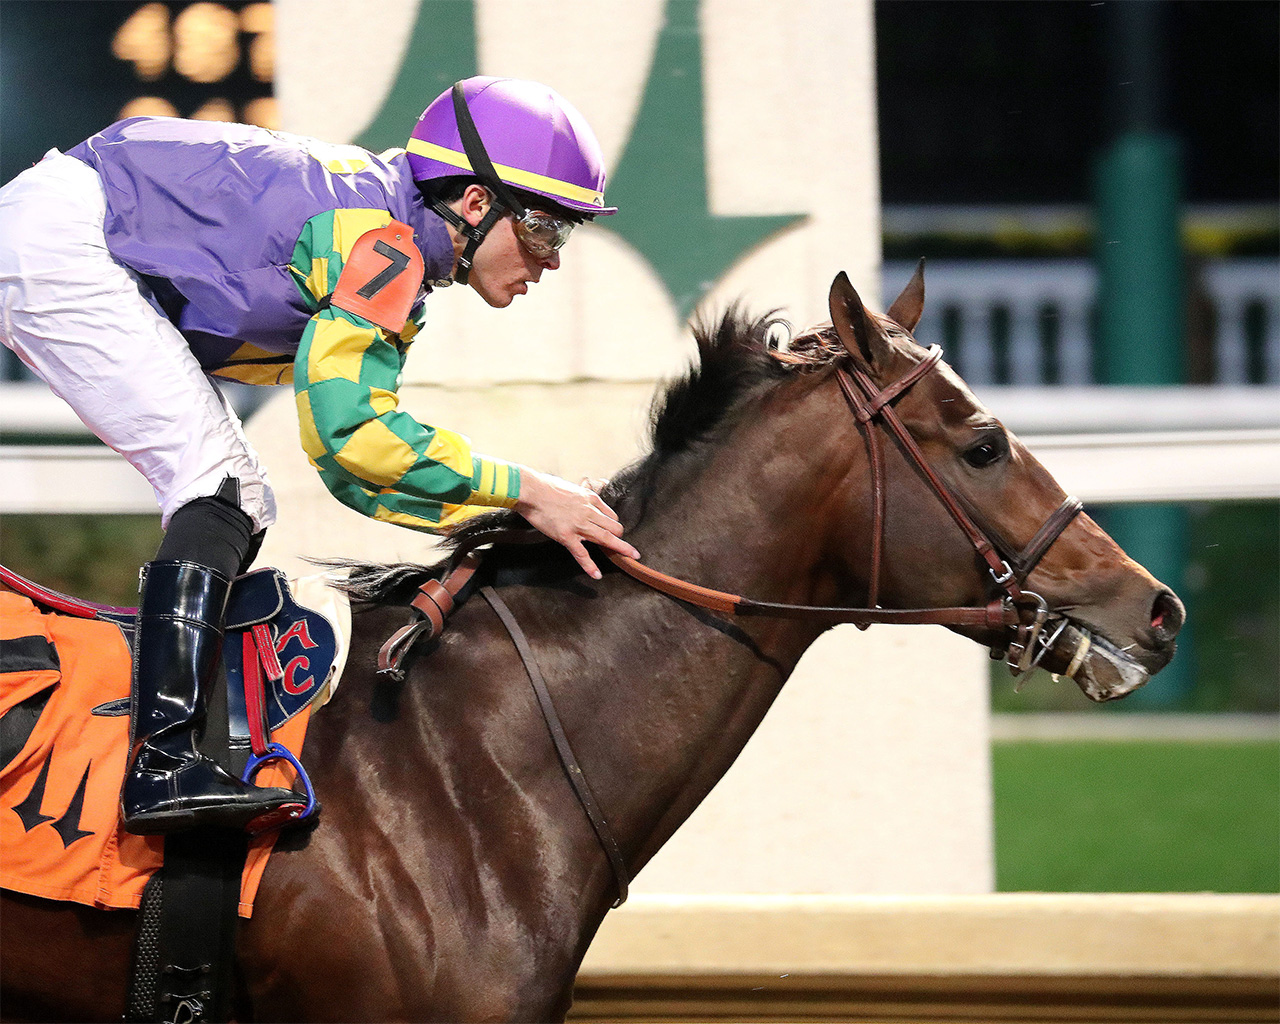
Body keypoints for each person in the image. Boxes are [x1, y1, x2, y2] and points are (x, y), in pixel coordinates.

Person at [0, 76, 640, 835]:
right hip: (62, 237)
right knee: (222, 488)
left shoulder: (391, 246)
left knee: (234, 494)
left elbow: (349, 462)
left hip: (63, 224)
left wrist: (511, 497)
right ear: (475, 203)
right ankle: (161, 762)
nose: (553, 259)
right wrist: (528, 491)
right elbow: (357, 441)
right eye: (546, 228)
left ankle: (176, 746)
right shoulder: (382, 245)